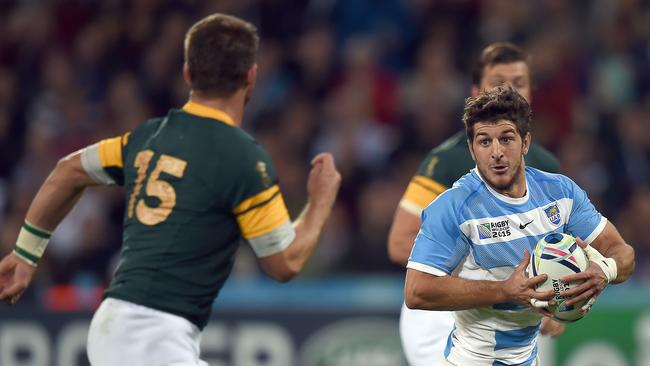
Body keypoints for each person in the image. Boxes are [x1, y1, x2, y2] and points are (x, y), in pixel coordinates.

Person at [0, 14, 341, 366]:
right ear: (251, 77)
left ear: (188, 74)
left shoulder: (147, 137)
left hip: (120, 324)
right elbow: (284, 263)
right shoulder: (242, 157)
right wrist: (320, 201)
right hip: (152, 335)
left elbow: (67, 170)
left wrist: (25, 254)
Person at [404, 86, 635, 365]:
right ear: (471, 148)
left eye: (506, 138)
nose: (496, 152)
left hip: (528, 359)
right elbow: (416, 291)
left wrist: (604, 271)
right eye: (484, 141)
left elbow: (622, 253)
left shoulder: (560, 192)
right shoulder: (454, 207)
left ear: (525, 143)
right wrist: (505, 290)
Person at [388, 42, 564, 365]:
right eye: (499, 83)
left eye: (520, 83)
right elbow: (400, 242)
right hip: (442, 318)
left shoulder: (547, 168)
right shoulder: (447, 162)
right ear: (475, 92)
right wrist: (488, 275)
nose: (510, 91)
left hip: (514, 317)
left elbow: (557, 248)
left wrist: (555, 300)